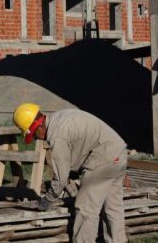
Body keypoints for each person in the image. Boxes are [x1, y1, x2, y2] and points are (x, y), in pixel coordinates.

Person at [13, 103, 127, 243]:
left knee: (86, 208)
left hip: (103, 158)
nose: (37, 139)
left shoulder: (56, 135)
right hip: (118, 152)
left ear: (39, 127)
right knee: (113, 206)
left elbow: (61, 177)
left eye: (34, 135)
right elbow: (80, 140)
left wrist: (48, 199)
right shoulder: (58, 117)